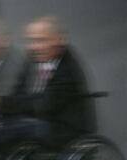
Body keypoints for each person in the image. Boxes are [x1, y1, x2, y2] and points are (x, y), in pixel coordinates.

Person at [15, 16, 96, 144]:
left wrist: (20, 104)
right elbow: (16, 92)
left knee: (11, 130)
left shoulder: (67, 67)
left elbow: (45, 106)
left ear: (59, 40)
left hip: (64, 127)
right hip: (39, 122)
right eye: (31, 41)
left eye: (40, 40)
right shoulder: (31, 62)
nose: (34, 47)